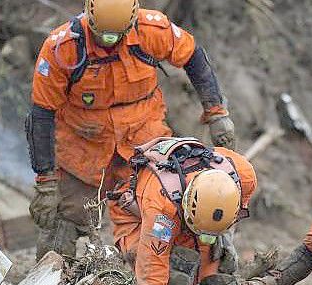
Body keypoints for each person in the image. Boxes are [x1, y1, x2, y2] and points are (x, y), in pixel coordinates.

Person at [27, 0, 235, 259]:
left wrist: (216, 113)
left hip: (145, 140)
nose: (109, 41)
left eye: (116, 36)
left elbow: (194, 57)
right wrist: (45, 182)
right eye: (101, 36)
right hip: (83, 146)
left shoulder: (152, 30)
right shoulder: (62, 48)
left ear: (131, 22)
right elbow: (41, 114)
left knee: (170, 207)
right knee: (62, 223)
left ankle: (187, 274)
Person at [109, 137, 256, 285]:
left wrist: (222, 235)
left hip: (197, 223)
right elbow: (151, 276)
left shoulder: (244, 176)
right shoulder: (161, 209)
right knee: (175, 276)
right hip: (138, 218)